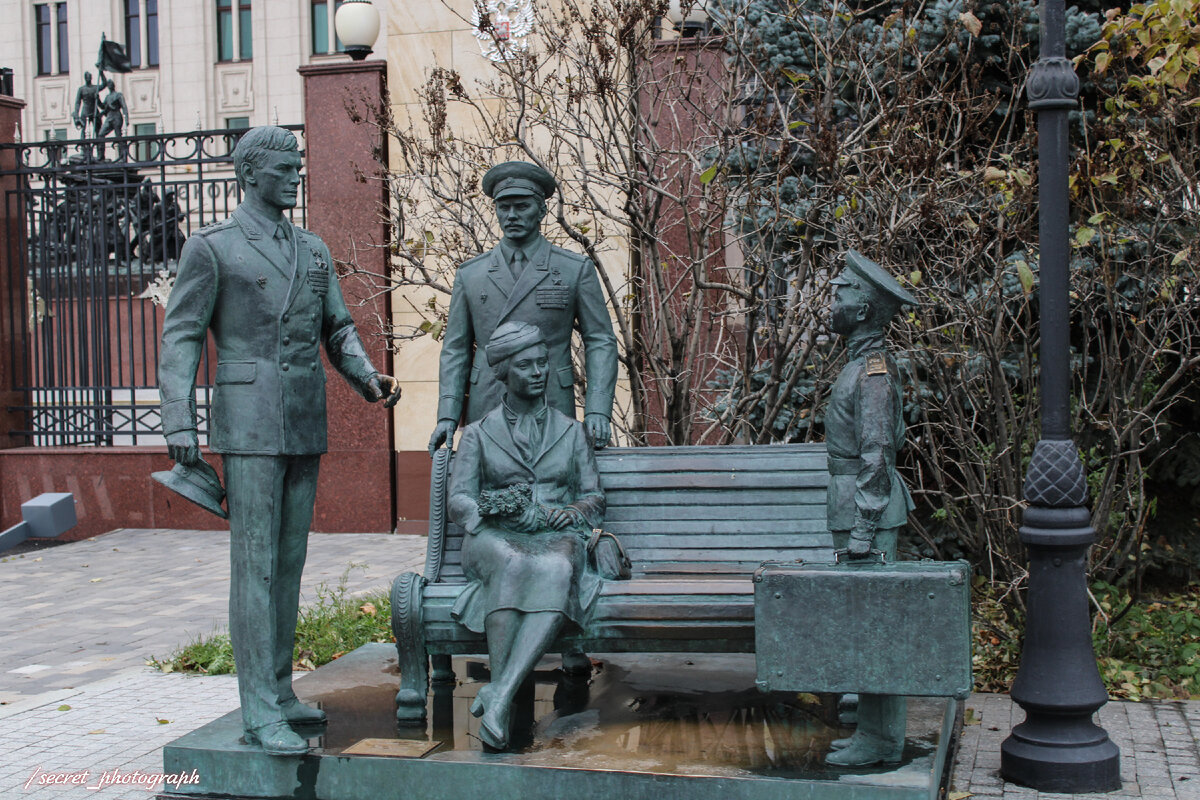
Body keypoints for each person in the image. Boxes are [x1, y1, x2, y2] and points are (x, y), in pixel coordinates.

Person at [158, 126, 401, 756]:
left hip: (302, 418)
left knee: (288, 565)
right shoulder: (213, 248)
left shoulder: (313, 250)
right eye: (285, 167)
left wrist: (367, 379)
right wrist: (179, 425)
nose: (297, 175)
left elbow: (338, 329)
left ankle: (279, 688)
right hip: (247, 421)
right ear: (250, 175)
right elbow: (181, 337)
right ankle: (257, 708)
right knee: (255, 566)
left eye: (299, 165)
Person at [447, 321, 605, 750]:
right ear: (504, 373)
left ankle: (499, 696)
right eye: (526, 365)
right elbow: (458, 499)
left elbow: (593, 496)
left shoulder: (571, 433)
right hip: (493, 538)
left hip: (556, 536)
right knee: (513, 561)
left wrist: (572, 510)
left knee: (556, 567)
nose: (538, 372)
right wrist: (492, 510)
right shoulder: (478, 433)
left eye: (543, 363)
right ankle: (505, 694)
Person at [428, 161, 618, 455]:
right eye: (504, 207)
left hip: (551, 398)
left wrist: (598, 409)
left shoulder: (572, 269)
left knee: (555, 489)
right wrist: (447, 415)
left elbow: (600, 340)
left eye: (522, 206)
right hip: (488, 401)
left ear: (542, 210)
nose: (511, 215)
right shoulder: (471, 275)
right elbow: (455, 349)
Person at [822, 249, 918, 768]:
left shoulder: (873, 371)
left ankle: (881, 741)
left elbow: (878, 451)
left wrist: (863, 524)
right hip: (853, 503)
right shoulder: (859, 364)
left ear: (862, 309)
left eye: (841, 291)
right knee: (866, 623)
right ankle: (874, 732)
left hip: (867, 513)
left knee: (875, 627)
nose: (832, 299)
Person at [72, 72, 101, 139]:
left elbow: (104, 85)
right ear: (85, 78)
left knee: (98, 130)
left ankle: (100, 147)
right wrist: (76, 113)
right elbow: (78, 102)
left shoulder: (95, 88)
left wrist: (101, 73)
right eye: (88, 77)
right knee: (84, 130)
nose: (89, 79)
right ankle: (84, 147)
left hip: (94, 111)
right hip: (85, 112)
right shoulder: (81, 89)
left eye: (90, 77)